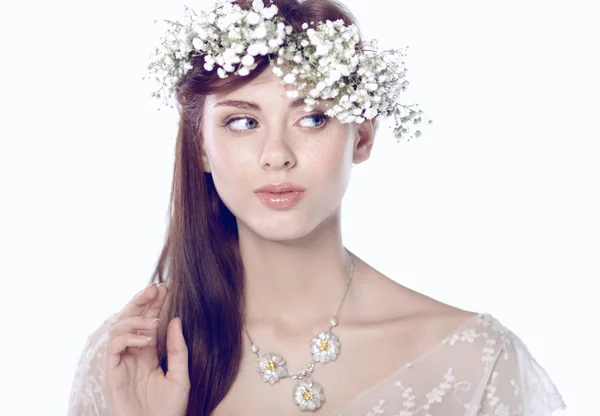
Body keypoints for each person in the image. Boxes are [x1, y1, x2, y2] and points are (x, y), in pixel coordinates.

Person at [67, 0, 567, 415]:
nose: (277, 154)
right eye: (243, 122)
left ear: (362, 136)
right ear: (199, 145)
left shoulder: (475, 365)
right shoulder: (129, 362)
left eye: (313, 118)